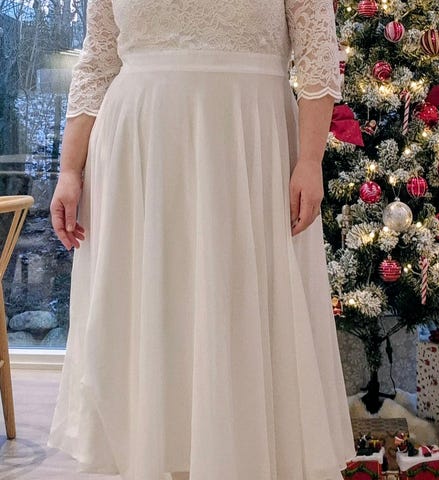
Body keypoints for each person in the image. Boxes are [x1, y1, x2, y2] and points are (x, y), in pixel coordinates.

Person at [48, 1, 356, 479]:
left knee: (240, 308)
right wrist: (69, 169)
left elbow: (318, 53)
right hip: (140, 154)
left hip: (248, 145)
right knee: (157, 314)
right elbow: (98, 60)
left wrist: (311, 160)